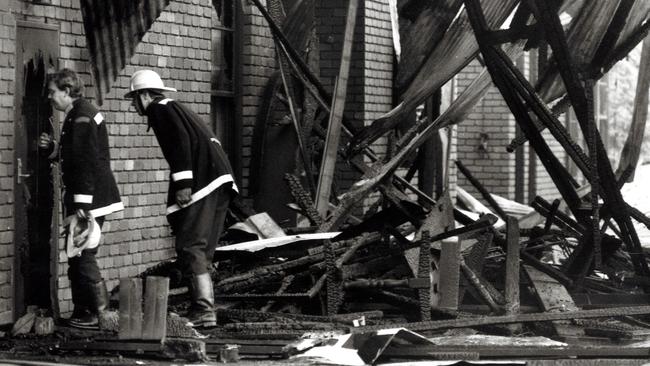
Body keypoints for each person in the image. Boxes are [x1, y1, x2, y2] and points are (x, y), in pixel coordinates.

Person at [125, 70, 237, 328]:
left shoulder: (159, 108)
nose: (133, 105)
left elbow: (180, 144)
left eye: (134, 98)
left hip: (203, 181)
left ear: (144, 95)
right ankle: (202, 308)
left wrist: (183, 184)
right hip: (219, 179)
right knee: (202, 249)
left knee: (190, 245)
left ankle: (203, 310)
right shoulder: (176, 108)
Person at [40, 68, 124, 329]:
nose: (50, 98)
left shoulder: (82, 116)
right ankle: (84, 312)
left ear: (66, 91)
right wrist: (54, 150)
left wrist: (82, 205)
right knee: (77, 254)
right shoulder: (80, 113)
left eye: (53, 92)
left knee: (84, 254)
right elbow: (76, 154)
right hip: (89, 197)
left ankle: (102, 314)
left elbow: (85, 161)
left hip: (90, 200)